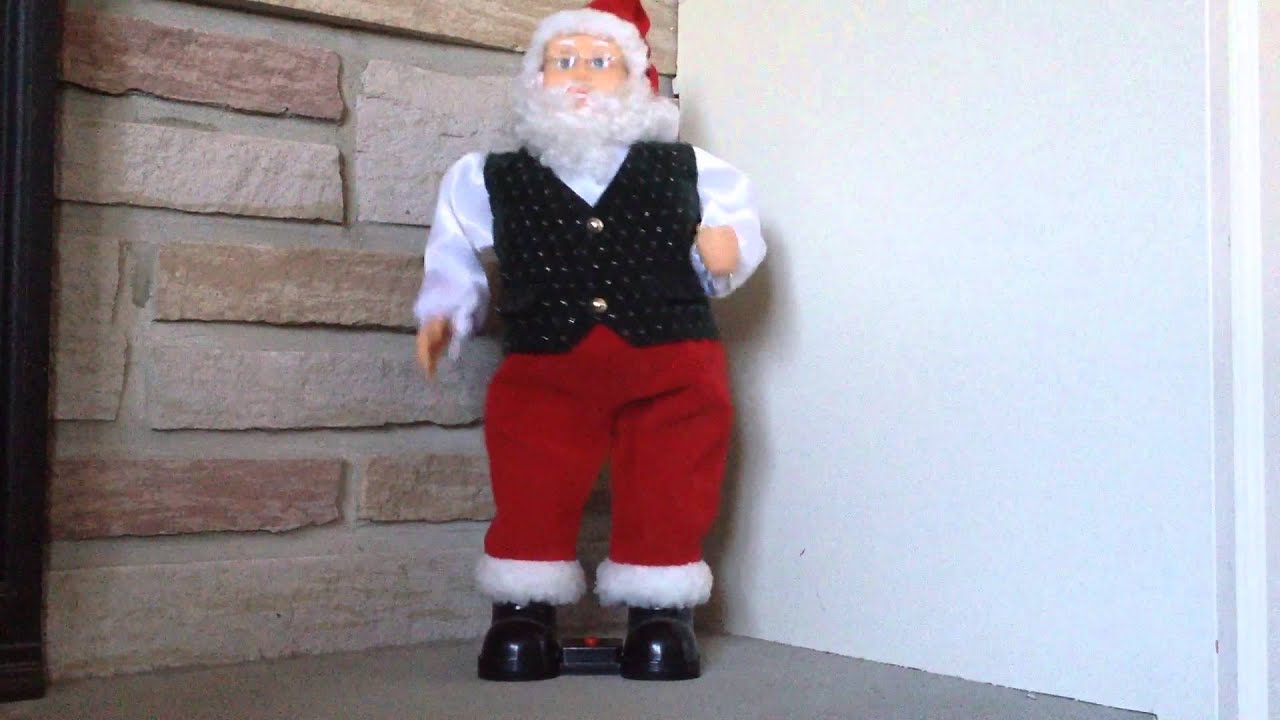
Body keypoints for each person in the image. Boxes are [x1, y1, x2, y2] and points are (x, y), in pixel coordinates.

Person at [412, 0, 766, 681]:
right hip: (546, 363)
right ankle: (521, 609)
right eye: (562, 61)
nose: (578, 75)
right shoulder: (489, 176)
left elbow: (733, 231)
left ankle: (661, 613)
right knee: (531, 475)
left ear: (636, 80)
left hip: (672, 364)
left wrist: (724, 252)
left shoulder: (691, 169)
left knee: (671, 478)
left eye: (600, 62)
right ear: (535, 79)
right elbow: (453, 249)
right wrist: (445, 312)